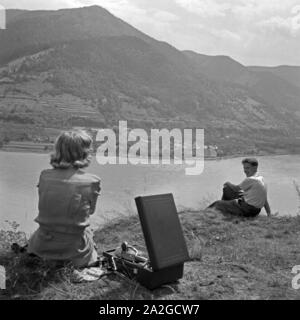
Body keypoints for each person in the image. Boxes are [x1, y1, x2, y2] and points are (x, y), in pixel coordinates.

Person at [28, 130, 101, 268]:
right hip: (74, 251)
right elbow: (90, 212)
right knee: (88, 233)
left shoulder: (44, 176)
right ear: (84, 152)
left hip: (42, 245)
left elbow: (47, 207)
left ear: (58, 150)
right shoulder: (92, 181)